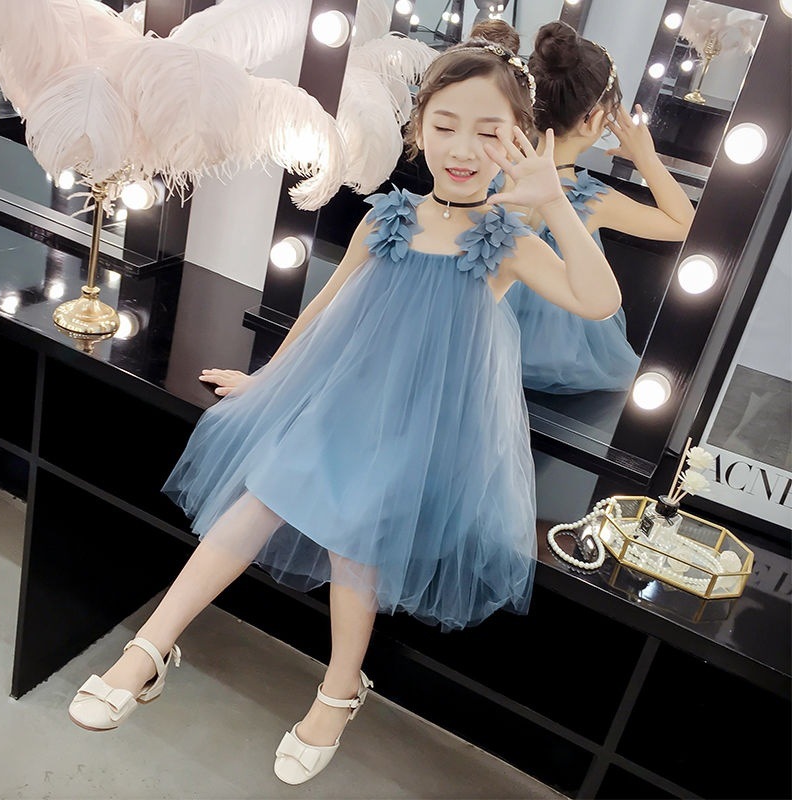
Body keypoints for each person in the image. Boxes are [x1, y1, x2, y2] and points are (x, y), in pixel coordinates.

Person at [67, 26, 621, 785]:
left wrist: (553, 202)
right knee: (258, 499)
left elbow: (597, 300)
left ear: (520, 139)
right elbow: (322, 308)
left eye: (489, 132)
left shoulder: (506, 240)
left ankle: (339, 688)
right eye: (445, 125)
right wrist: (268, 379)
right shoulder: (387, 217)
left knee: (353, 535)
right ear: (418, 128)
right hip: (340, 405)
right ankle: (150, 648)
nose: (462, 148)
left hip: (421, 429)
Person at [485, 19, 695, 394]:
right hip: (555, 358)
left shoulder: (494, 170)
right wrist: (646, 158)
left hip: (484, 340)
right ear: (595, 120)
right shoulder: (590, 199)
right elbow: (684, 224)